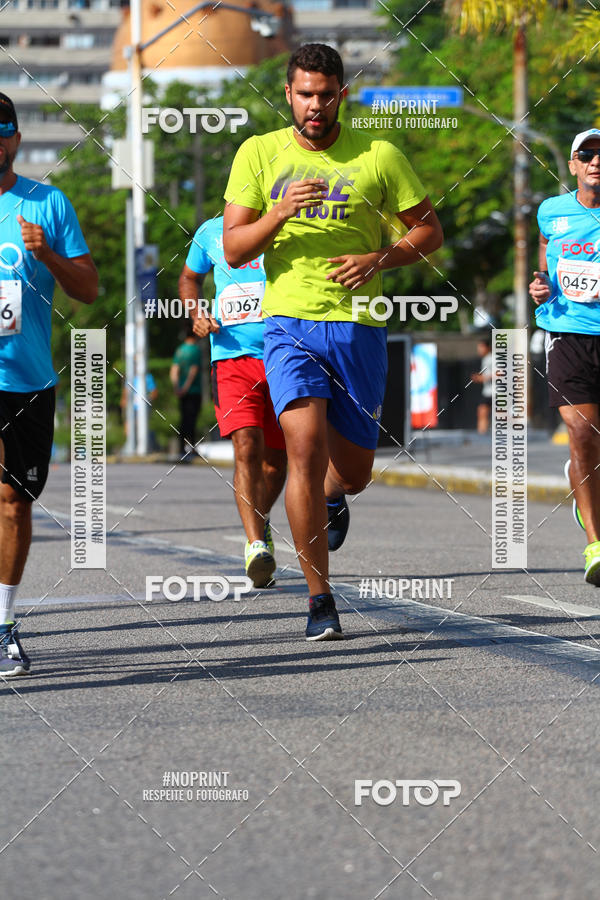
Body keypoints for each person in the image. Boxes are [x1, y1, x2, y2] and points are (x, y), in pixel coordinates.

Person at [222, 43, 443, 639]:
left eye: (325, 94)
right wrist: (279, 213)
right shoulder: (260, 153)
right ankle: (319, 598)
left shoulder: (379, 154)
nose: (315, 105)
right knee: (303, 450)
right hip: (290, 324)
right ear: (288, 95)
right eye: (304, 94)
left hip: (360, 325)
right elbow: (235, 249)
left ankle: (334, 498)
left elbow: (430, 230)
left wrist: (380, 257)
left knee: (352, 471)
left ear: (341, 93)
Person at [0, 93, 98, 674]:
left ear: (15, 138)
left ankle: (4, 622)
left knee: (14, 502)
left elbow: (87, 289)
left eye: (3, 133)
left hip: (27, 377)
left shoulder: (48, 203)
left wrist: (49, 255)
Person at [179, 215, 287, 587]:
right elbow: (189, 277)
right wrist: (196, 313)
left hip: (285, 353)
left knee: (277, 461)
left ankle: (260, 519)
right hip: (231, 356)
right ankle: (256, 543)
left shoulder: (284, 219)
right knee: (247, 447)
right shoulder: (210, 231)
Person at [529, 127, 600, 585]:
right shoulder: (551, 212)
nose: (596, 161)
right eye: (587, 154)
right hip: (567, 333)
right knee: (581, 430)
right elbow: (544, 259)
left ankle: (583, 488)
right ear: (572, 165)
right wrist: (540, 287)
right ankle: (596, 544)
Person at [170, 325, 203, 458]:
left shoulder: (180, 350)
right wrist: (186, 387)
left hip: (181, 392)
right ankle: (192, 447)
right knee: (192, 419)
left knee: (183, 418)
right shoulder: (195, 350)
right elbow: (193, 370)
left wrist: (177, 387)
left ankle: (181, 447)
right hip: (193, 390)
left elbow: (174, 370)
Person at [471, 337, 493, 433]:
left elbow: (501, 372)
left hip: (496, 391)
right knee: (482, 411)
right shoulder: (485, 359)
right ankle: (482, 434)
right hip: (488, 392)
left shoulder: (493, 358)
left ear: (488, 347)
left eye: (481, 347)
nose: (479, 350)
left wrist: (482, 378)